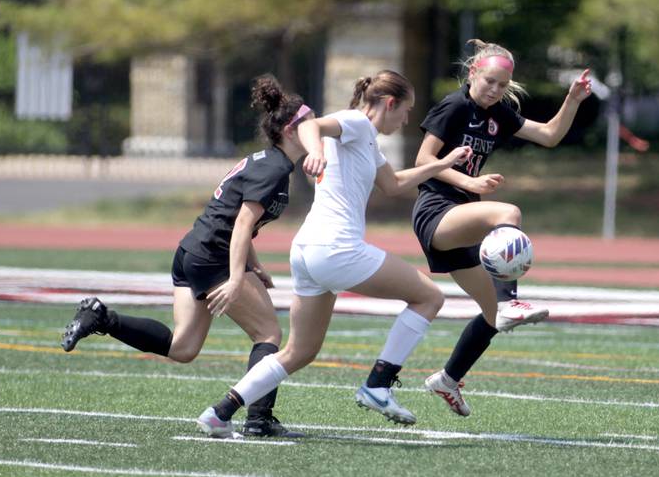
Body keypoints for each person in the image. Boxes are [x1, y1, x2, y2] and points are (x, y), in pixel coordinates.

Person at [196, 70, 472, 437]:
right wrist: (316, 152)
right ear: (389, 104)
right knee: (430, 296)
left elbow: (392, 185)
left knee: (300, 351)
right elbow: (309, 124)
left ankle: (220, 412)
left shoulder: (366, 139)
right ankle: (379, 383)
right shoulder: (356, 121)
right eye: (405, 110)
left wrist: (442, 164)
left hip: (308, 251)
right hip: (336, 249)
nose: (407, 119)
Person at [60, 74, 314, 438]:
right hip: (212, 256)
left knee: (183, 347)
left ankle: (101, 317)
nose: (317, 129)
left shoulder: (269, 162)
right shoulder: (274, 168)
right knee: (269, 334)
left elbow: (235, 218)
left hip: (192, 250)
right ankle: (258, 419)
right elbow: (241, 225)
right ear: (291, 131)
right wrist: (238, 277)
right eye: (310, 123)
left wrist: (254, 264)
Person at [413, 39, 592, 416]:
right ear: (473, 73)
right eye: (489, 81)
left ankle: (448, 379)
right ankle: (512, 299)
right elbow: (423, 159)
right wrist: (470, 183)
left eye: (502, 85)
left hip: (462, 215)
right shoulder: (455, 105)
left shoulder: (500, 112)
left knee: (492, 317)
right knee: (508, 213)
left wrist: (573, 99)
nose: (495, 90)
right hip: (436, 210)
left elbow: (549, 136)